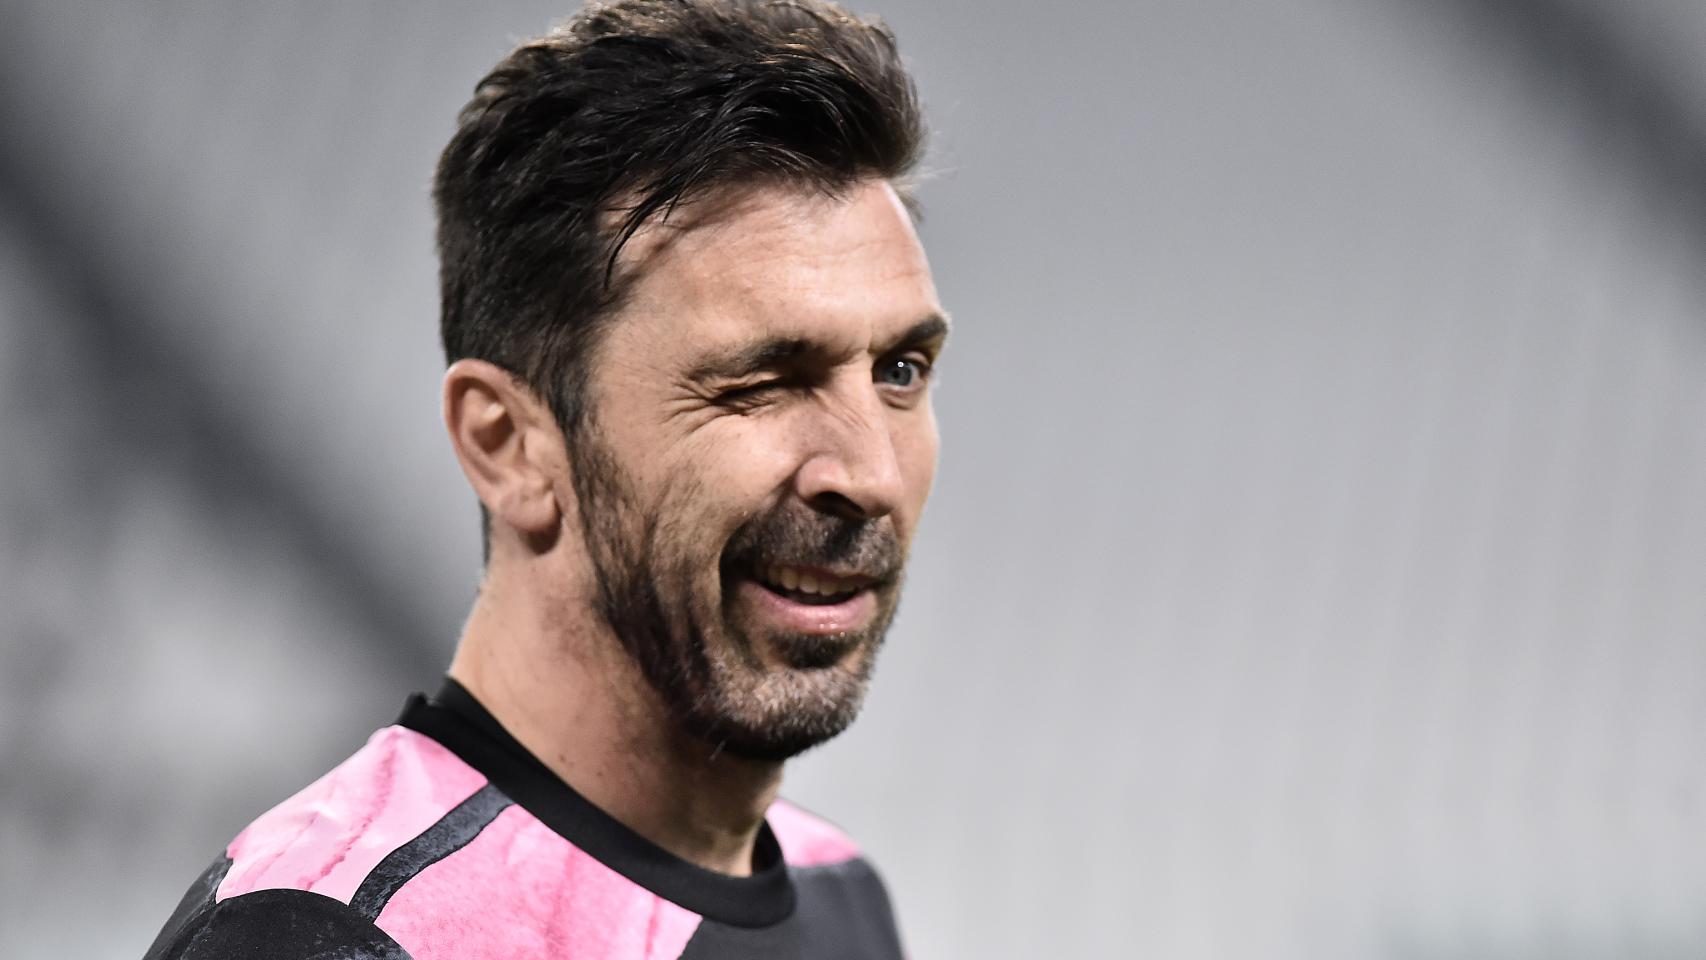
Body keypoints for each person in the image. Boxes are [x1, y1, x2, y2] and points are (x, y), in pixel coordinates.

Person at [144, 0, 945, 957]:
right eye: (760, 382)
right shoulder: (327, 935)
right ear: (509, 445)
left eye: (901, 372)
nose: (871, 473)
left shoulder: (839, 894)